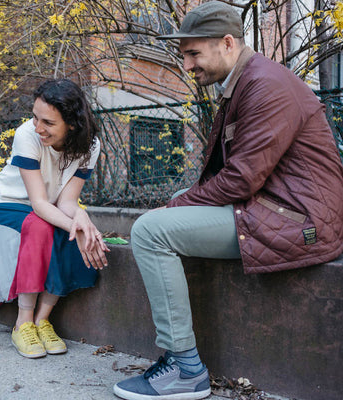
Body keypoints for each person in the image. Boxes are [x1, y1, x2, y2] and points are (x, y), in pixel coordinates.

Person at [114, 2, 343, 400]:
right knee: (171, 206)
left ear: (227, 43)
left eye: (193, 54)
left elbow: (240, 179)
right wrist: (182, 202)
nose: (187, 65)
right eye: (183, 55)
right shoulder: (249, 80)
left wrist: (176, 207)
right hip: (275, 207)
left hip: (300, 222)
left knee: (150, 231)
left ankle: (185, 369)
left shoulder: (266, 84)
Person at [0, 79, 109, 359]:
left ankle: (42, 320)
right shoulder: (27, 135)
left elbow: (66, 202)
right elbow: (39, 203)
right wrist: (77, 224)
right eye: (35, 117)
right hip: (4, 204)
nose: (38, 127)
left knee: (70, 232)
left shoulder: (91, 146)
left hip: (45, 207)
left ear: (72, 124)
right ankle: (22, 323)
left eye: (48, 122)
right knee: (46, 226)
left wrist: (82, 221)